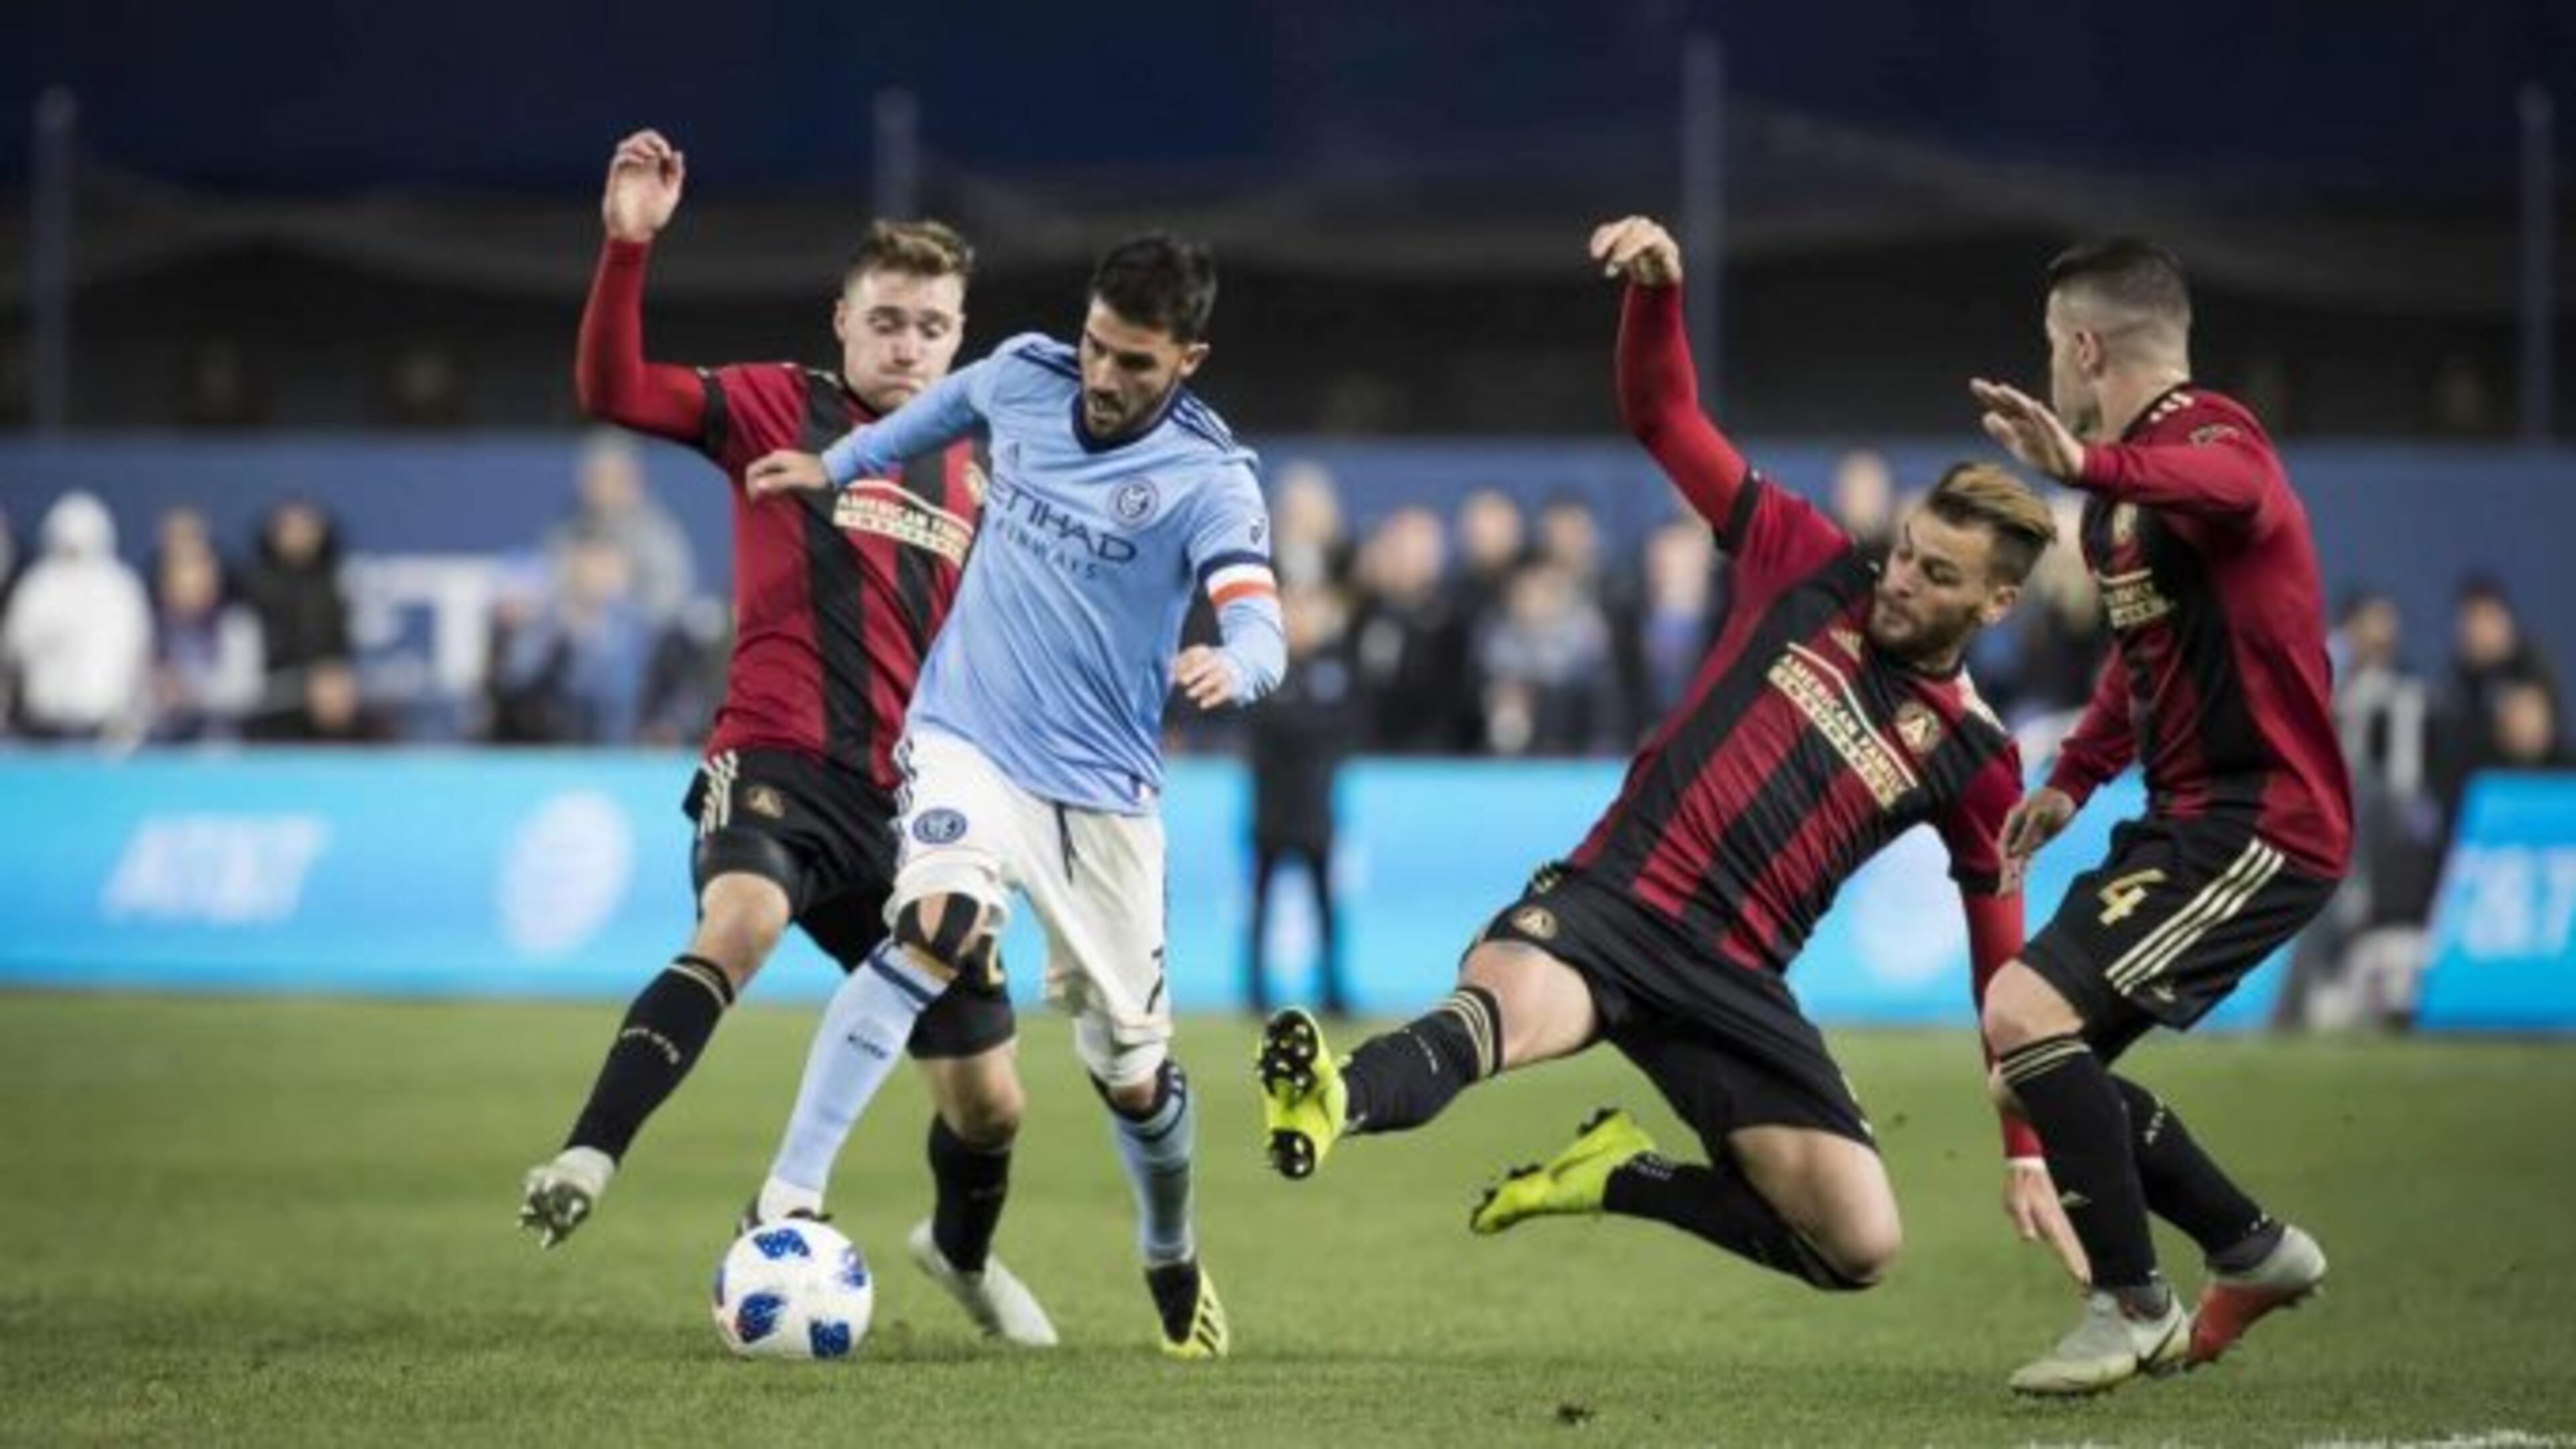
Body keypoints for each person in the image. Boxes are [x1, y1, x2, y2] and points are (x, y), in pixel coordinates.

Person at [1257, 216, 2078, 1311]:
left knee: (1861, 1246)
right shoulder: (1807, 560)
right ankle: (1333, 1097)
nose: (1900, 579)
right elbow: (1663, 417)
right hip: (1611, 905)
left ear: (1997, 603)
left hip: (1736, 984)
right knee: (1488, 1016)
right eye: (1906, 551)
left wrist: (2024, 1147)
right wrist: (1658, 296)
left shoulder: (1978, 761)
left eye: (1937, 576)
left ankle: (1621, 1176)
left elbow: (2001, 970)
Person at [517, 129, 1058, 1349]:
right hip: (776, 760)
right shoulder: (775, 403)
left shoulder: (990, 466)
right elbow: (616, 390)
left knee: (991, 1104)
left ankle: (960, 1253)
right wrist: (625, 249)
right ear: (843, 320)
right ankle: (591, 1153)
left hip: (916, 809)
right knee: (742, 922)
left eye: (931, 326)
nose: (907, 345)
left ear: (959, 339)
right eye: (887, 321)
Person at [739, 230, 1285, 1360]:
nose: (1103, 376)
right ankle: (789, 1191)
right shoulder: (1026, 374)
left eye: (1135, 362)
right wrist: (837, 466)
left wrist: (1237, 664)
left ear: (1189, 359)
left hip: (1100, 799)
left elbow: (1259, 618)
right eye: (1097, 346)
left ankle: (1169, 1248)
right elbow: (943, 411)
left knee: (1134, 1076)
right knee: (936, 925)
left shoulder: (1209, 478)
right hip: (968, 739)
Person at [1971, 237, 2353, 1395]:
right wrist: (2072, 781)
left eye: (2054, 343)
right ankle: (2251, 1246)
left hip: (2263, 823)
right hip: (2183, 822)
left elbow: (2247, 494)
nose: (2052, 362)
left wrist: (2086, 459)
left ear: (2086, 348)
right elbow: (2142, 663)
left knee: (2024, 1011)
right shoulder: (2121, 504)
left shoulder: (2213, 437)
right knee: (2028, 1068)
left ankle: (2131, 1304)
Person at [1245, 582, 1359, 1018]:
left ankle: (1332, 987)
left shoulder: (1335, 671)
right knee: (1261, 903)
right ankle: (1255, 989)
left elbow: (1341, 727)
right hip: (1271, 808)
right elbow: (1268, 723)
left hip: (1315, 809)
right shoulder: (1264, 668)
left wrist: (1297, 721)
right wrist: (1303, 722)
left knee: (1325, 905)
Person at [1, 491, 153, 743]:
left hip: (106, 727)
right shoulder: (39, 586)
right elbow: (16, 647)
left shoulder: (121, 588)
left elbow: (139, 651)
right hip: (45, 726)